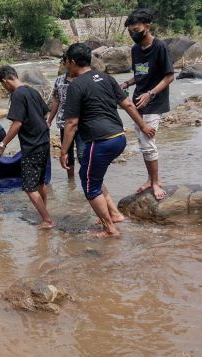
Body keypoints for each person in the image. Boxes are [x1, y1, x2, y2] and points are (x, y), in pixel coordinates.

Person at [60, 43, 156, 237]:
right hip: (119, 137)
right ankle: (114, 213)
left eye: (66, 63)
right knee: (89, 175)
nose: (66, 66)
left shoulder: (75, 85)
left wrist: (63, 152)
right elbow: (128, 104)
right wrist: (143, 126)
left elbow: (71, 123)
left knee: (89, 186)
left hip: (100, 141)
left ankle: (109, 229)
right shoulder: (106, 78)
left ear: (71, 62)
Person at [119, 8, 174, 200]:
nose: (132, 34)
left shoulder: (160, 47)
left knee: (148, 142)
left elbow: (169, 77)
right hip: (138, 101)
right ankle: (150, 179)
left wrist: (150, 94)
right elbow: (141, 74)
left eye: (135, 29)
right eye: (130, 31)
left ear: (147, 26)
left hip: (155, 101)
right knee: (143, 143)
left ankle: (156, 182)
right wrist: (126, 83)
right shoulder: (135, 49)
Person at [0, 65, 54, 229]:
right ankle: (44, 212)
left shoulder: (17, 95)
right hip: (43, 142)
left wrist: (2, 144)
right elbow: (45, 114)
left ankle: (47, 220)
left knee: (29, 187)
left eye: (3, 84)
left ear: (6, 80)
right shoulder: (32, 91)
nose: (4, 88)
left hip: (32, 146)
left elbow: (17, 123)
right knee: (40, 183)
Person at [47, 54, 85, 179]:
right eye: (65, 63)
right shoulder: (59, 80)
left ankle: (87, 177)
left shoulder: (83, 79)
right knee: (67, 153)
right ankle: (71, 181)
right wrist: (49, 120)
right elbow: (56, 101)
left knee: (81, 153)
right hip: (64, 122)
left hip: (82, 122)